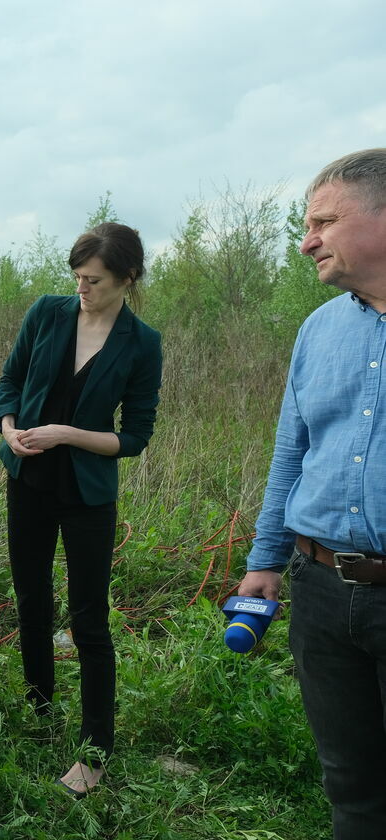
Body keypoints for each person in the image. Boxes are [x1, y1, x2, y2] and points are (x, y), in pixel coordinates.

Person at [241, 148, 386, 839]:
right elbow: (291, 455)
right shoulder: (318, 331)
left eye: (324, 221)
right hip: (321, 590)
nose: (306, 241)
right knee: (351, 783)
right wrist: (266, 563)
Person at [0, 222, 162, 796]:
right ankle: (40, 713)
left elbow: (135, 437)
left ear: (128, 278)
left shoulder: (142, 342)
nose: (81, 287)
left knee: (89, 619)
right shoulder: (46, 312)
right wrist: (9, 427)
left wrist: (68, 432)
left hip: (89, 493)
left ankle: (94, 751)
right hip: (29, 479)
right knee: (31, 599)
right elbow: (10, 379)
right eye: (77, 277)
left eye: (93, 280)